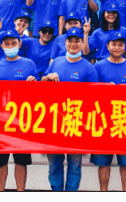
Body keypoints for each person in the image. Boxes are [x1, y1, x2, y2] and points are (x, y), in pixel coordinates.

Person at [42, 27, 98, 191]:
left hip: (77, 122)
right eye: (70, 40)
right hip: (55, 122)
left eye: (77, 41)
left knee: (74, 165)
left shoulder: (88, 67)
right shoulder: (56, 62)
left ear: (82, 43)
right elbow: (42, 83)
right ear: (65, 42)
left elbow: (95, 96)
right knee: (54, 164)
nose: (73, 44)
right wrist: (48, 77)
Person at [0, 30, 38, 191]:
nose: (10, 46)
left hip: (22, 120)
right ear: (2, 46)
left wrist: (34, 82)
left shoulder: (29, 64)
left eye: (13, 43)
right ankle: (0, 191)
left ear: (19, 44)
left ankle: (20, 192)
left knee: (21, 161)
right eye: (7, 44)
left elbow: (39, 92)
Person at [92, 31, 126, 191]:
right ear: (107, 46)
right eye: (114, 44)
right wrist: (104, 88)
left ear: (125, 47)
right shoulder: (98, 66)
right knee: (103, 163)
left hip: (125, 120)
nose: (117, 47)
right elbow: (90, 92)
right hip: (104, 120)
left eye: (120, 45)